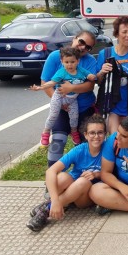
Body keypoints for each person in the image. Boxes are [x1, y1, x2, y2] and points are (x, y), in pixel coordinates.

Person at [26, 114, 107, 232]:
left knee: (82, 181)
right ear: (85, 135)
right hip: (70, 187)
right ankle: (56, 204)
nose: (96, 136)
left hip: (86, 196)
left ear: (105, 134)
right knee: (62, 177)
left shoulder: (108, 149)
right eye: (92, 133)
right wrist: (55, 200)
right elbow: (50, 171)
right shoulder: (80, 149)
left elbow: (113, 172)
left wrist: (96, 174)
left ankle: (46, 210)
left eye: (100, 132)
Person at [41, 31, 98, 168]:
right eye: (82, 42)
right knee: (57, 142)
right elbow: (45, 82)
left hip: (84, 109)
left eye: (88, 47)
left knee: (86, 146)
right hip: (62, 108)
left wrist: (70, 88)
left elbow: (89, 86)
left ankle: (83, 179)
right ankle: (52, 180)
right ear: (75, 38)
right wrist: (60, 104)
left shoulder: (90, 61)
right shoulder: (55, 57)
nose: (83, 47)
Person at [30, 47, 96, 146]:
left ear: (78, 61)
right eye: (67, 62)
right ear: (62, 62)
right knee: (53, 115)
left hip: (72, 99)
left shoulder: (81, 71)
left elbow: (90, 76)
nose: (70, 65)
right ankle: (46, 132)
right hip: (59, 97)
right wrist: (40, 88)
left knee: (74, 117)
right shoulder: (61, 72)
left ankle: (74, 132)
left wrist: (94, 77)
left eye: (72, 62)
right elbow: (52, 83)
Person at [96, 16, 128, 134]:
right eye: (124, 32)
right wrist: (102, 72)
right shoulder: (105, 54)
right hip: (111, 106)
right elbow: (97, 81)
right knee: (115, 138)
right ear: (116, 34)